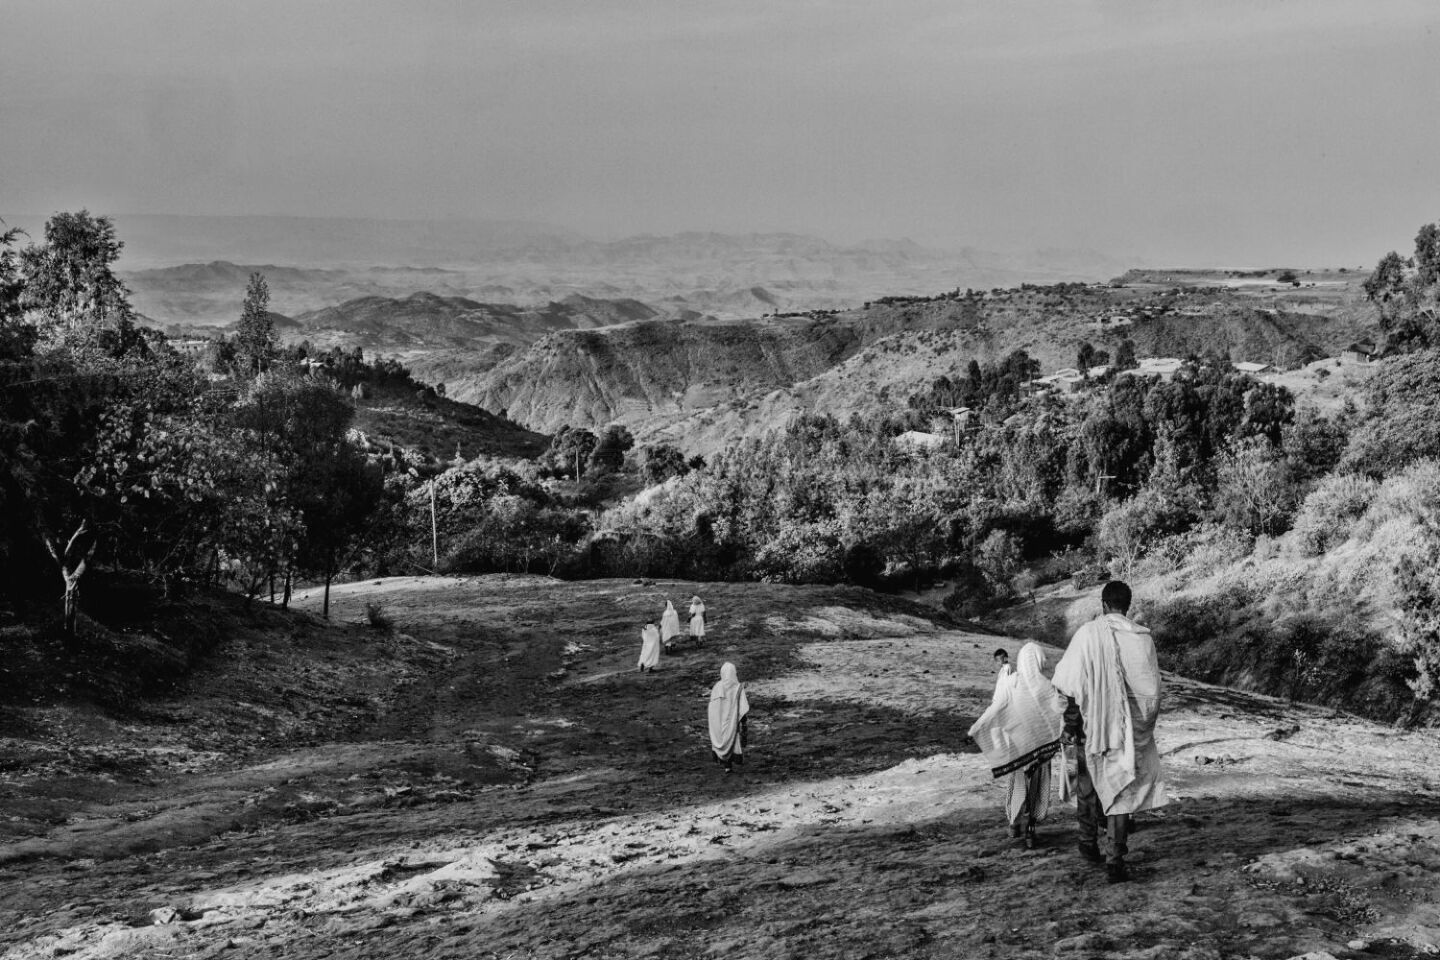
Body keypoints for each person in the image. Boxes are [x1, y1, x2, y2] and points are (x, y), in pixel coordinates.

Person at [1051, 580, 1166, 884]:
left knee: (1087, 788)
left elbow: (1068, 684)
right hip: (1127, 728)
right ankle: (1116, 856)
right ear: (1127, 606)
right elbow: (1152, 691)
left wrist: (1072, 725)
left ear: (1103, 605)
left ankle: (1087, 844)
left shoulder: (1088, 634)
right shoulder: (1142, 639)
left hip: (1093, 725)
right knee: (1121, 790)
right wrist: (1138, 727)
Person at [968, 642, 1068, 849]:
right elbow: (1061, 709)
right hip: (1042, 753)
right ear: (1039, 660)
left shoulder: (1012, 682)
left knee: (1018, 786)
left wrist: (978, 727)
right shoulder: (1048, 687)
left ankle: (1014, 823)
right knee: (1037, 789)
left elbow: (997, 707)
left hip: (1019, 749)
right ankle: (1031, 829)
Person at [708, 662, 750, 773]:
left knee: (722, 740)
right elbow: (743, 708)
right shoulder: (737, 688)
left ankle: (727, 766)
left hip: (719, 722)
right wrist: (744, 723)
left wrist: (714, 723)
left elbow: (712, 708)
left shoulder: (717, 687)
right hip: (732, 723)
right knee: (732, 741)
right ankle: (729, 764)